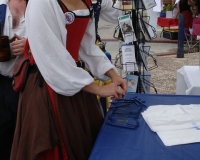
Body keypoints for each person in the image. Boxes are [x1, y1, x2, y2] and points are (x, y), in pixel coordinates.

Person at [10, 0, 127, 160]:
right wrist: (98, 89)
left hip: (76, 83)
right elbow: (53, 57)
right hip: (48, 87)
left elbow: (87, 46)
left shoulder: (84, 1)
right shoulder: (41, 3)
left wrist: (114, 75)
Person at [0, 0, 27, 159]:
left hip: (29, 85)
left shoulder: (40, 8)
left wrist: (28, 47)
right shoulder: (1, 7)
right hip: (2, 84)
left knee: (26, 136)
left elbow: (56, 43)